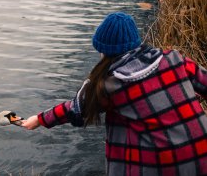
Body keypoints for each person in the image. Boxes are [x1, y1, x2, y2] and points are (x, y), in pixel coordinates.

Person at [21, 12, 207, 175]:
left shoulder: (112, 84)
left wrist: (39, 120)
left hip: (165, 166)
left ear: (104, 51)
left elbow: (76, 109)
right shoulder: (173, 58)